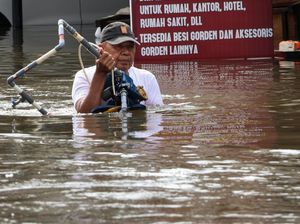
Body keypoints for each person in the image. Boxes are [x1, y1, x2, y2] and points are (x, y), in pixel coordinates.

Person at [72, 21, 163, 113]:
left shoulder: (147, 77)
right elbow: (84, 114)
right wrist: (100, 74)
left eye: (130, 47)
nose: (126, 52)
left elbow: (156, 116)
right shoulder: (83, 75)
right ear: (100, 49)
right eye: (118, 46)